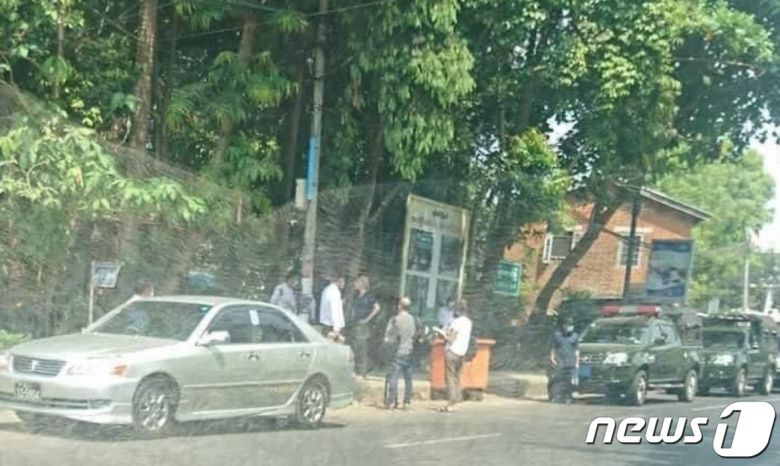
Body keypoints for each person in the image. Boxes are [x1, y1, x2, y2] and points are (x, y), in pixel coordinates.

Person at [383, 297, 416, 410]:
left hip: (397, 352)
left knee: (394, 377)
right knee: (408, 378)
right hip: (409, 351)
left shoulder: (394, 320)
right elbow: (414, 334)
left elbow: (388, 338)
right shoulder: (412, 319)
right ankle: (407, 402)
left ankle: (392, 401)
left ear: (399, 306)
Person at [440, 299, 472, 412]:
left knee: (450, 377)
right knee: (457, 376)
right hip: (462, 352)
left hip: (452, 351)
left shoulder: (456, 322)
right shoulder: (468, 322)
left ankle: (451, 402)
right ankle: (458, 397)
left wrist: (443, 334)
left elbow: (451, 338)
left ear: (457, 311)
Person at [350, 274, 380, 378]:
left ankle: (362, 371)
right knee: (355, 346)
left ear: (362, 284)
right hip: (356, 323)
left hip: (362, 325)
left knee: (361, 347)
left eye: (357, 282)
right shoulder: (356, 295)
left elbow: (377, 308)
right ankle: (357, 370)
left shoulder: (369, 296)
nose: (355, 284)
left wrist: (367, 319)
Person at [548, 316, 580, 404]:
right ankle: (556, 397)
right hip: (559, 361)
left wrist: (577, 362)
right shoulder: (557, 335)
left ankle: (567, 397)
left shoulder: (575, 336)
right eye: (567, 324)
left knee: (568, 382)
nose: (569, 327)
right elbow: (552, 348)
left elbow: (577, 350)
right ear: (563, 325)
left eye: (571, 325)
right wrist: (552, 358)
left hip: (570, 362)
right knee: (557, 381)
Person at [319, 271, 346, 342]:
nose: (344, 283)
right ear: (340, 280)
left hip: (327, 325)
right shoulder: (334, 292)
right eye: (343, 281)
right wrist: (336, 329)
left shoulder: (327, 290)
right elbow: (334, 310)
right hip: (332, 327)